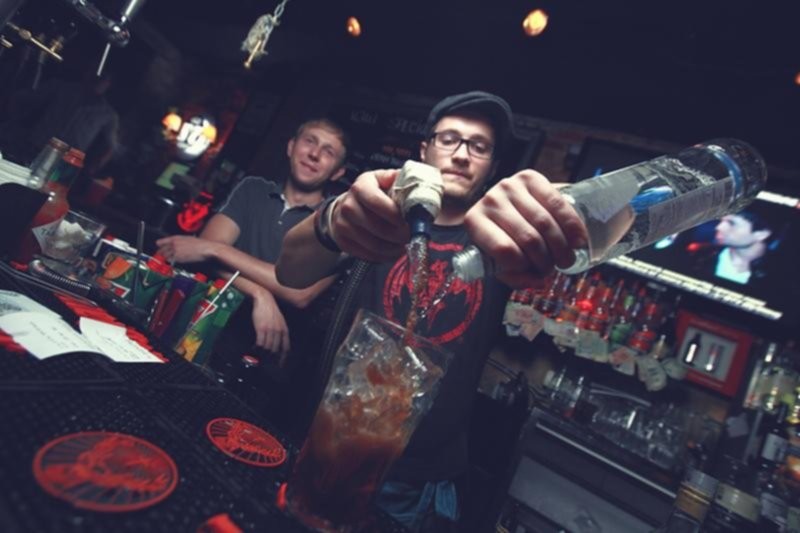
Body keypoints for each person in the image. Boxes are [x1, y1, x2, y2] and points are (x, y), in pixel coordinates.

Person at [276, 92, 586, 532]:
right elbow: (290, 272)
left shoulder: (500, 238)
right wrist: (332, 218)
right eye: (449, 139)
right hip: (333, 444)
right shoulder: (382, 215)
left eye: (479, 146)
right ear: (424, 151)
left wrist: (558, 214)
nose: (461, 154)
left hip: (421, 480)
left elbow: (565, 236)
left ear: (493, 167)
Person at [156, 117, 349, 359]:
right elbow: (201, 250)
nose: (314, 154)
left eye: (328, 152)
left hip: (260, 354)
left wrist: (216, 251)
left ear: (337, 172)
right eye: (310, 141)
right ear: (291, 147)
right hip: (196, 325)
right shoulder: (252, 190)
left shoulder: (336, 222)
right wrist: (260, 293)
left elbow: (300, 293)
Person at [0, 66, 120, 179]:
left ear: (109, 84)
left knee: (45, 190)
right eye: (95, 75)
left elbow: (112, 145)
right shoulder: (61, 88)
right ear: (87, 73)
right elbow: (23, 99)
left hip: (65, 162)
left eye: (103, 78)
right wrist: (12, 122)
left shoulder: (107, 114)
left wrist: (96, 165)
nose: (97, 80)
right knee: (16, 178)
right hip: (34, 148)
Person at [689, 211, 773, 286]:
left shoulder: (777, 273)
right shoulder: (700, 254)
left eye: (731, 223)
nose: (719, 227)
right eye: (721, 220)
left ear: (761, 234)